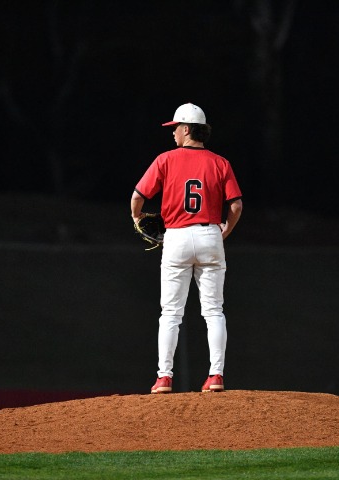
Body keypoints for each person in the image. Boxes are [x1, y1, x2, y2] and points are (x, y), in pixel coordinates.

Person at [131, 103, 243, 394]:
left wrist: (137, 218)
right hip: (210, 235)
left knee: (171, 313)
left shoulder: (165, 160)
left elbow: (137, 197)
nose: (173, 133)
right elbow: (236, 205)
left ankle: (164, 378)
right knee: (214, 310)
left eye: (175, 128)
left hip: (177, 237)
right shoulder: (220, 163)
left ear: (186, 129)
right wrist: (225, 231)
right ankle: (216, 376)